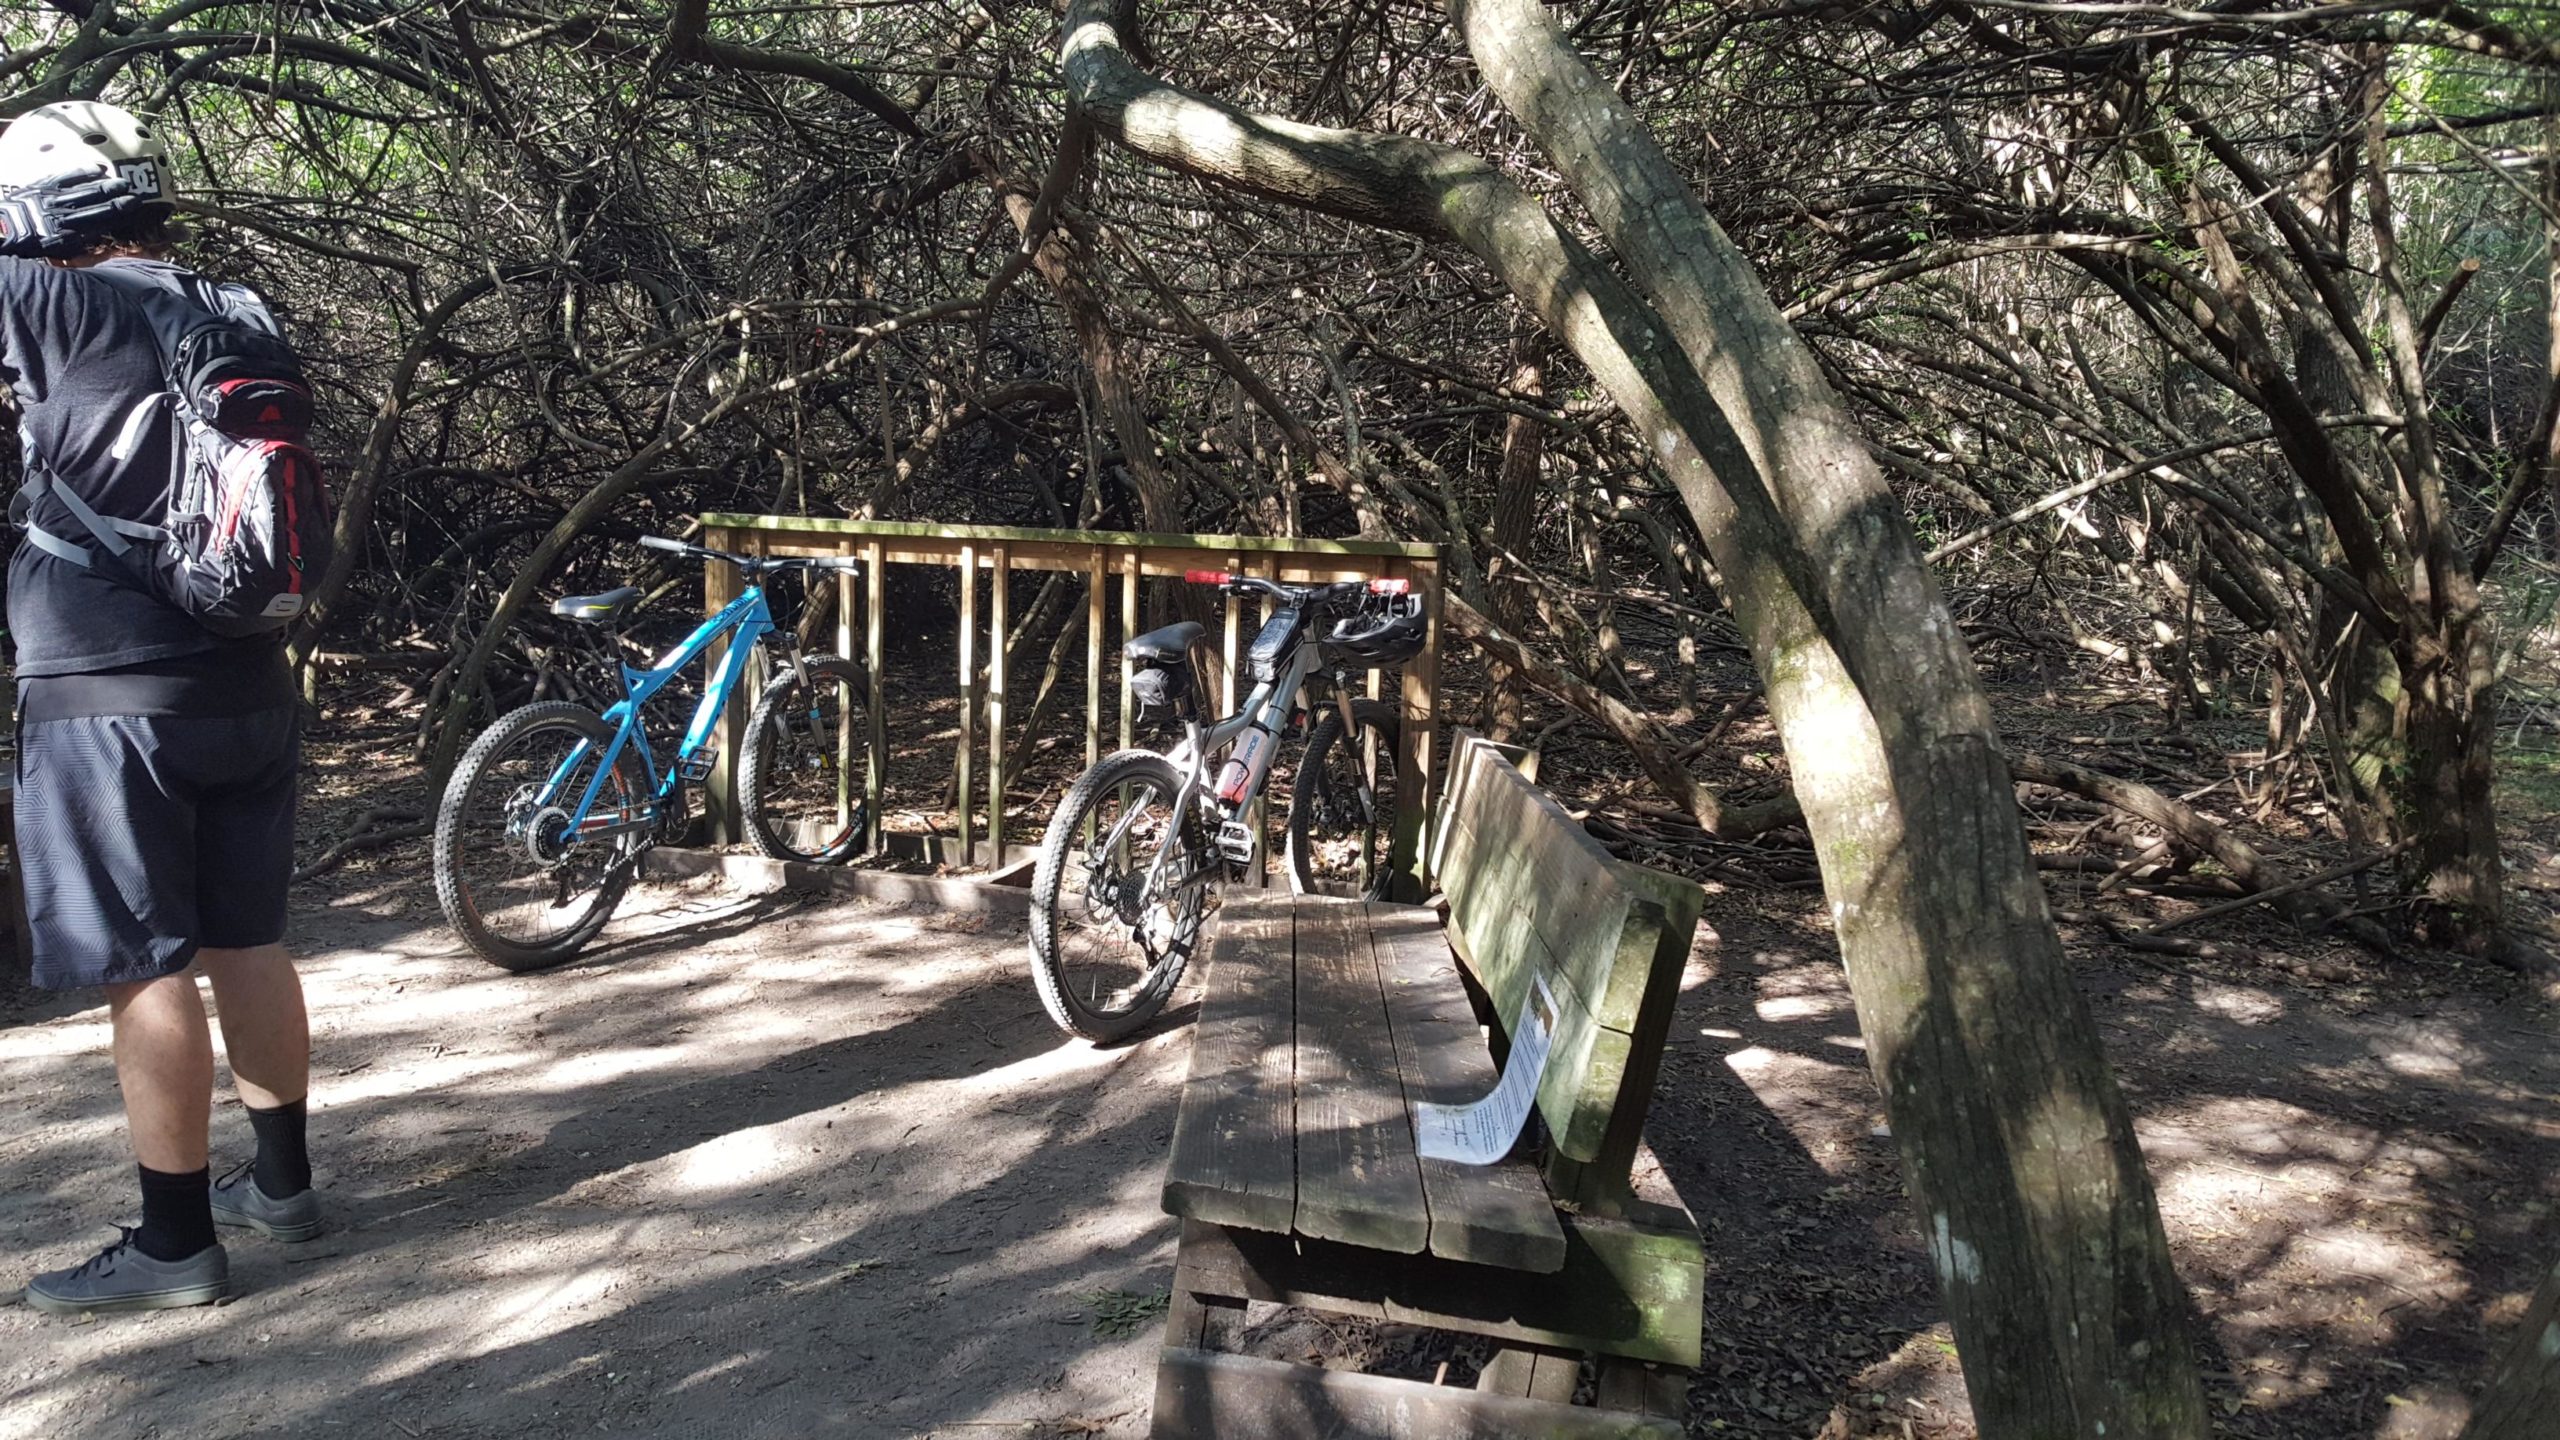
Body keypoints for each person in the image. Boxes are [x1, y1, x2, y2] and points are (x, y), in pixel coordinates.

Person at [0, 100, 319, 1314]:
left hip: (106, 696)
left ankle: (174, 1244)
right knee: (250, 939)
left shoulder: (48, 302)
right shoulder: (234, 305)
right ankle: (280, 1185)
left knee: (144, 964)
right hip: (246, 678)